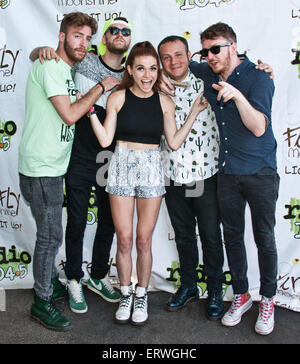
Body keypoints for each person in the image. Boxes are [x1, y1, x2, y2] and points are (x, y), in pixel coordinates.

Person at [88, 41, 208, 326]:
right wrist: (91, 111)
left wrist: (192, 112)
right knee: (125, 239)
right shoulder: (117, 98)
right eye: (140, 68)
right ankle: (126, 292)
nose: (147, 75)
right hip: (120, 167)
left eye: (153, 68)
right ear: (130, 69)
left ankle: (142, 293)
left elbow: (175, 142)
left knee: (143, 240)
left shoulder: (165, 101)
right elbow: (105, 140)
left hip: (152, 167)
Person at [29, 17, 132, 314]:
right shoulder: (82, 60)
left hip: (110, 158)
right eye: (114, 29)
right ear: (105, 38)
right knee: (75, 220)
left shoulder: (130, 73)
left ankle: (99, 275)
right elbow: (50, 59)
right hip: (78, 156)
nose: (120, 34)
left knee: (109, 221)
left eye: (126, 31)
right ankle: (74, 277)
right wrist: (40, 49)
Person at [188, 22, 279, 335]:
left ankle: (268, 299)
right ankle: (241, 296)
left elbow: (258, 127)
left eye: (216, 49)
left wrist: (237, 96)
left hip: (260, 173)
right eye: (206, 50)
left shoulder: (259, 77)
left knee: (264, 238)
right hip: (227, 173)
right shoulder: (207, 73)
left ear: (233, 46)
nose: (210, 56)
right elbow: (176, 63)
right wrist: (186, 57)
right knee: (233, 238)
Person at [18, 12, 106, 331]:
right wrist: (99, 89)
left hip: (49, 168)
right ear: (62, 37)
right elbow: (69, 115)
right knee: (51, 235)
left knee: (49, 232)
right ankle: (42, 300)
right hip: (42, 169)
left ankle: (49, 283)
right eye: (77, 36)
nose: (83, 43)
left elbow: (67, 105)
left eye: (87, 38)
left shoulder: (60, 68)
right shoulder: (50, 66)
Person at [157, 35, 224, 320]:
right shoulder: (154, 85)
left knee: (210, 236)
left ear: (190, 55)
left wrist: (263, 69)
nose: (174, 61)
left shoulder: (208, 80)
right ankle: (188, 286)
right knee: (184, 236)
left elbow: (235, 64)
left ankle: (216, 290)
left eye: (179, 55)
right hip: (172, 176)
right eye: (167, 57)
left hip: (203, 175)